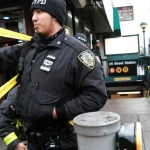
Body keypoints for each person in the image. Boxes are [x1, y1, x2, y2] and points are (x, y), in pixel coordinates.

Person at [0, 0, 107, 149]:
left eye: (39, 12)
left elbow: (96, 96)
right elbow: (3, 57)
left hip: (61, 142)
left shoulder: (77, 53)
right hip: (32, 141)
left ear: (55, 16)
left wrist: (59, 112)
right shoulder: (29, 48)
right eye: (32, 13)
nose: (34, 18)